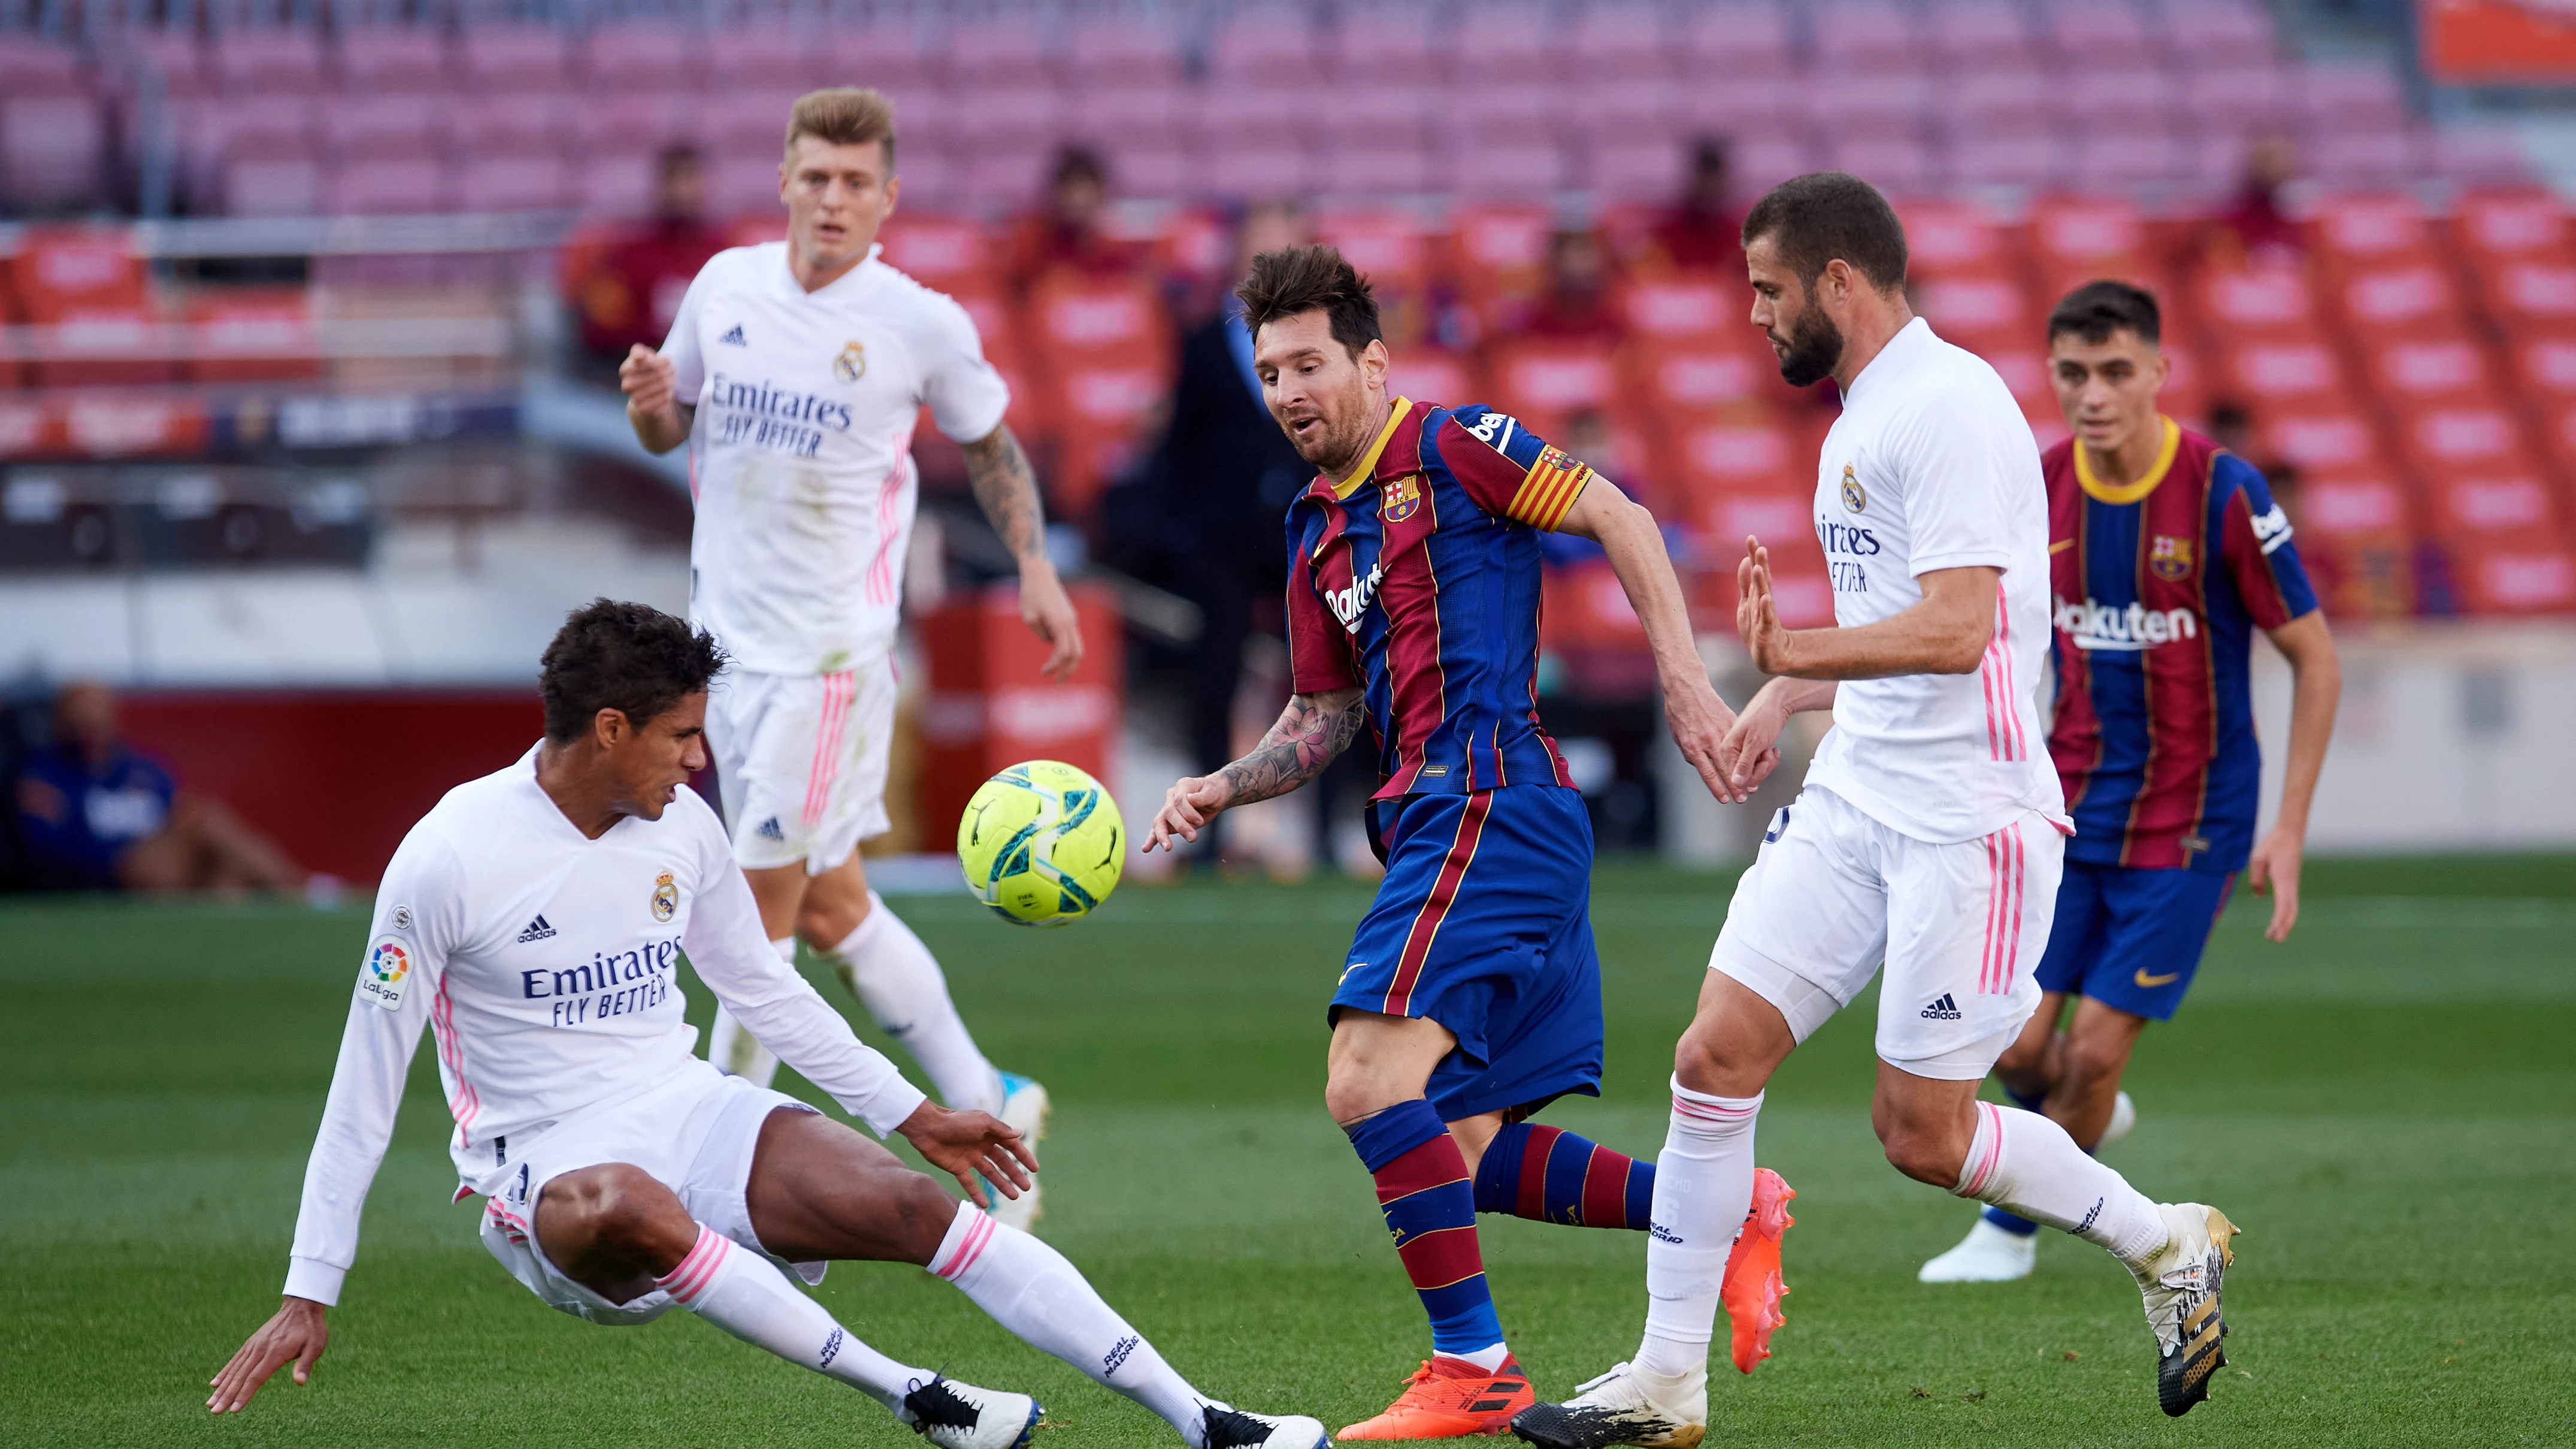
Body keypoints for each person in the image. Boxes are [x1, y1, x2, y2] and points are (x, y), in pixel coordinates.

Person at [203, 601, 1325, 1449]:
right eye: (681, 735)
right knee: (627, 1201)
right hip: (542, 1168)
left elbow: (766, 991)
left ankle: (1206, 1418)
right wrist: (313, 1284)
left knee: (909, 1204)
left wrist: (914, 1110)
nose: (699, 760)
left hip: (687, 1104)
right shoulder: (446, 856)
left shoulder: (679, 825)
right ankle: (915, 1394)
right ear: (607, 729)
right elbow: (364, 1082)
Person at [1515, 174, 2242, 1449]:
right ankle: (1664, 1383)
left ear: (1835, 281)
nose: (1751, 314)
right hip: (1856, 794)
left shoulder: (1947, 406)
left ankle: (2161, 1238)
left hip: (1968, 819)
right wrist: (1781, 695)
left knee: (1919, 1134)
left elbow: (1961, 627)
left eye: (1765, 289)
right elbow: (1891, 618)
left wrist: (1790, 649)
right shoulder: (1862, 416)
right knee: (1709, 1058)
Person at [1143, 244, 1767, 1442]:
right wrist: (1224, 785)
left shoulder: (1455, 443)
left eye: (1309, 364)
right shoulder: (1312, 524)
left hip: (1488, 802)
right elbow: (1325, 715)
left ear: (1370, 362)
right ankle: (1722, 1209)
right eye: (1268, 371)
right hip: (1443, 821)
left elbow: (1617, 514)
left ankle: (1473, 1364)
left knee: (1364, 1079)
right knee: (1467, 1143)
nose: (1286, 392)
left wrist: (1683, 682)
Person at [617, 89, 1076, 1229]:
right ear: (784, 177)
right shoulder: (723, 289)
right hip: (722, 653)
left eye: (855, 182)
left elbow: (993, 445)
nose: (832, 199)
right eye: (815, 176)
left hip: (828, 664)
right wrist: (648, 409)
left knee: (748, 922)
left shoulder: (916, 322)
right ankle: (991, 1096)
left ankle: (711, 1181)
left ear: (888, 199)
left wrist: (1033, 564)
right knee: (831, 907)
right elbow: (670, 425)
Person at [1918, 280, 2337, 1284]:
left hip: (2191, 820)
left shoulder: (2223, 492)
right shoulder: (2037, 484)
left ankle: (2009, 1232)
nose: (2093, 393)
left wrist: (2286, 826)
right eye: (2073, 373)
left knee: (2093, 1055)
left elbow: (2314, 658)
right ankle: (2090, 1120)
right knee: (2016, 1049)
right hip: (2063, 804)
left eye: (2114, 371)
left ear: (2157, 371)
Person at [13, 678, 314, 897]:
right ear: (63, 722)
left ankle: (271, 911)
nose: (90, 732)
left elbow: (178, 809)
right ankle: (300, 888)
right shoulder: (46, 775)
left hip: (168, 861)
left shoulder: (140, 769)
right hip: (116, 870)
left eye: (98, 721)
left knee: (225, 873)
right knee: (209, 821)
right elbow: (46, 847)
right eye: (82, 722)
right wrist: (112, 864)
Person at [573, 144, 729, 378]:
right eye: (675, 180)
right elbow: (598, 330)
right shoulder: (628, 256)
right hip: (642, 378)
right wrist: (656, 342)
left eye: (690, 179)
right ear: (660, 187)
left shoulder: (723, 255)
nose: (683, 191)